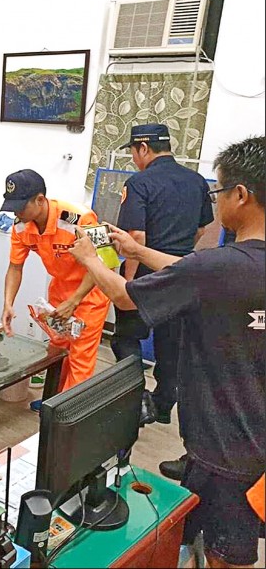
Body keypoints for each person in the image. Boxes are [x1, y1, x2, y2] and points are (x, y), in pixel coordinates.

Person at [69, 136, 265, 568]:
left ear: (241, 196)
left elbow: (124, 296)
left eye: (218, 192)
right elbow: (190, 271)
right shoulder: (225, 267)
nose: (215, 203)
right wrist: (137, 250)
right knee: (201, 533)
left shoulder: (219, 265)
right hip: (253, 437)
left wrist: (90, 258)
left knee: (226, 554)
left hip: (227, 444)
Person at [113, 123, 214, 432]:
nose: (133, 159)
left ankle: (136, 399)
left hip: (145, 273)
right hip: (181, 273)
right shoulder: (196, 181)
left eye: (132, 152)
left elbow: (136, 236)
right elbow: (201, 228)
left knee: (126, 338)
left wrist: (130, 285)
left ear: (143, 148)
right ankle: (164, 402)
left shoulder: (140, 183)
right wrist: (178, 257)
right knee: (171, 344)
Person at [0, 169, 111, 409]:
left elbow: (105, 263)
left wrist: (75, 301)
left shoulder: (81, 218)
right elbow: (15, 267)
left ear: (40, 200)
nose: (16, 212)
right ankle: (54, 400)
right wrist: (8, 303)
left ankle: (68, 414)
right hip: (59, 293)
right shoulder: (21, 226)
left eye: (21, 206)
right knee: (58, 350)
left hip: (90, 294)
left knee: (80, 359)